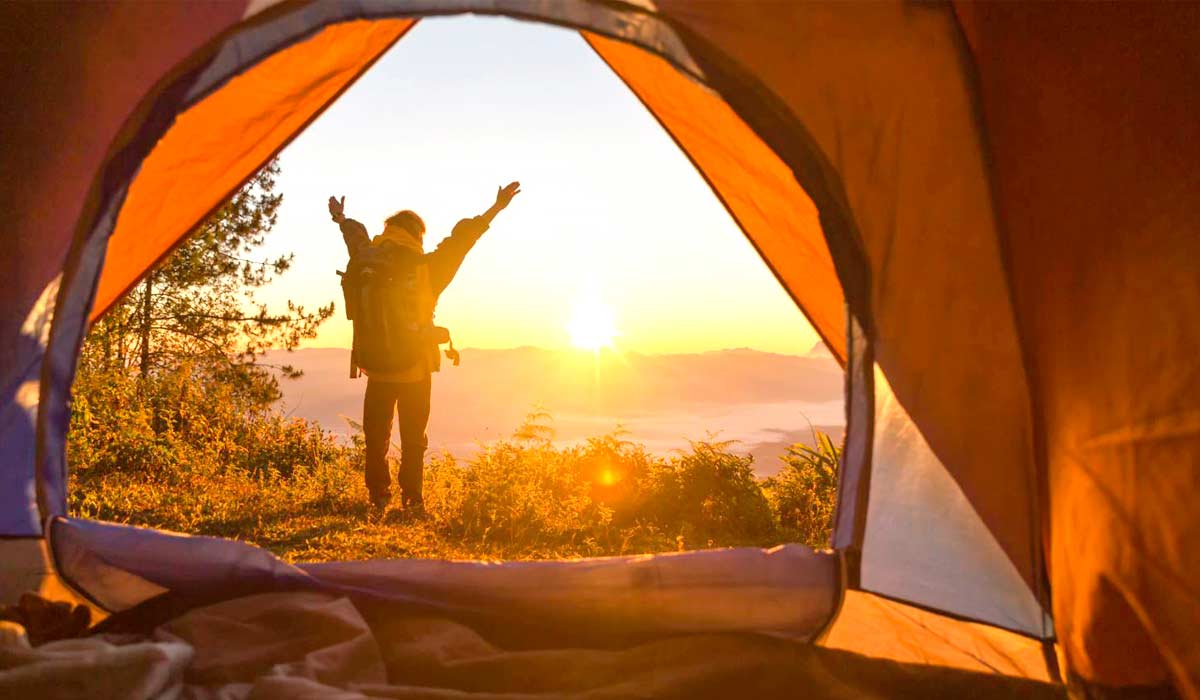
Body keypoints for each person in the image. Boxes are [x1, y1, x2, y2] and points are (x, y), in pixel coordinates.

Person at [328, 182, 521, 512]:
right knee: (413, 439)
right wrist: (495, 208)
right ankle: (412, 500)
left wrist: (340, 217)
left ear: (388, 232)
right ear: (417, 235)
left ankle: (378, 497)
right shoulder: (428, 268)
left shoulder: (367, 260)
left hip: (374, 366)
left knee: (376, 438)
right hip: (415, 369)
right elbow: (463, 241)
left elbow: (355, 236)